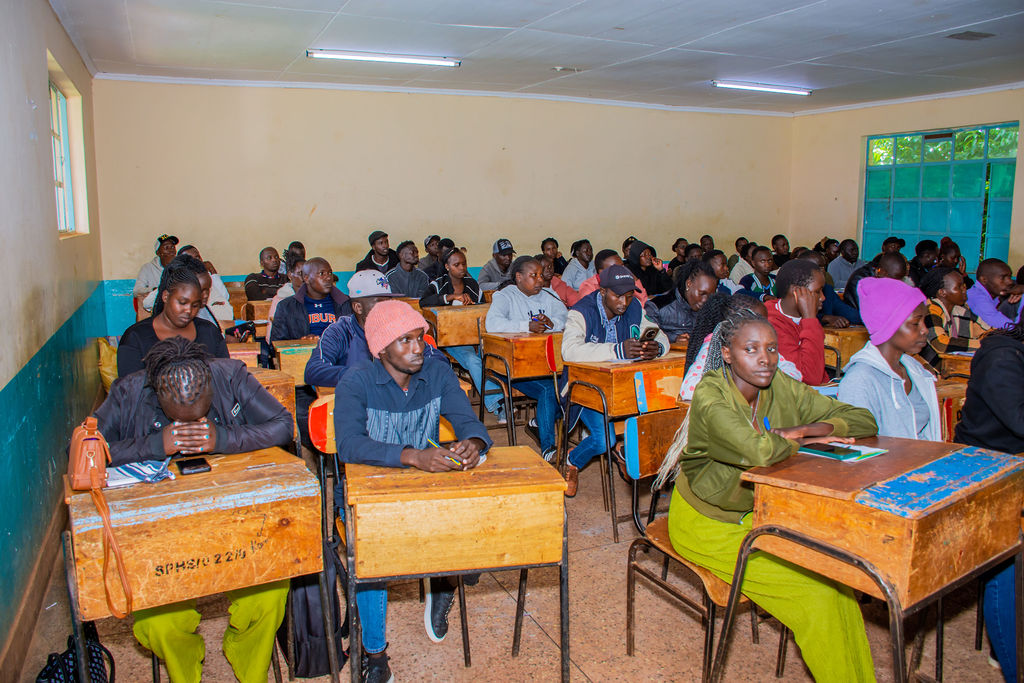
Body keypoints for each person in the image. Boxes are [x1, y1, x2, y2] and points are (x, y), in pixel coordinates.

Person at [663, 307, 878, 683]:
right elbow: (757, 450)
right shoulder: (711, 393)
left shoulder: (779, 384)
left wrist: (810, 428)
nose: (764, 359)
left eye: (772, 349)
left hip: (758, 514)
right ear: (727, 353)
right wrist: (800, 439)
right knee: (817, 596)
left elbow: (864, 420)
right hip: (706, 522)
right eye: (751, 349)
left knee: (839, 583)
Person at [94, 337, 293, 683]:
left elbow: (283, 425)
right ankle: (185, 666)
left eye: (200, 417)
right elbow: (88, 449)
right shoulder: (129, 391)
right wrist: (156, 444)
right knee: (159, 621)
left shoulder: (230, 376)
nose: (191, 427)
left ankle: (246, 656)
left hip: (234, 516)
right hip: (161, 529)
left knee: (269, 595)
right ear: (157, 396)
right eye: (180, 421)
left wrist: (222, 439)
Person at [333, 300, 492, 683]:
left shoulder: (437, 373)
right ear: (381, 348)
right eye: (405, 340)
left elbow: (469, 422)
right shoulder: (356, 382)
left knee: (479, 518)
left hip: (425, 490)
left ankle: (443, 584)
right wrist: (412, 456)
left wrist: (473, 443)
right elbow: (349, 445)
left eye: (420, 337)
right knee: (372, 556)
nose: (418, 347)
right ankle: (375, 653)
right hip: (370, 495)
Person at [955, 317, 1024, 682]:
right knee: (1008, 556)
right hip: (982, 470)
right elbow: (1019, 421)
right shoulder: (1002, 358)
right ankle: (1011, 660)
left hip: (1010, 465)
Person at [560, 265, 668, 495]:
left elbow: (660, 335)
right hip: (586, 387)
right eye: (617, 296)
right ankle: (572, 460)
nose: (624, 302)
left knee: (657, 419)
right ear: (602, 292)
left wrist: (657, 348)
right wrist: (616, 350)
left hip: (622, 386)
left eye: (628, 296)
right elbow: (569, 351)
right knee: (603, 440)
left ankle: (626, 451)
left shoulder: (634, 308)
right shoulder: (581, 311)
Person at [484, 256, 568, 461]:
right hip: (513, 366)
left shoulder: (549, 295)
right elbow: (492, 324)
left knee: (571, 388)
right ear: (519, 277)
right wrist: (526, 326)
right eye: (534, 275)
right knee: (549, 390)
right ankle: (548, 449)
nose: (540, 279)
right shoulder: (505, 296)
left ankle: (538, 422)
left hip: (545, 364)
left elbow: (567, 317)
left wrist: (553, 323)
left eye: (540, 275)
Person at [305, 269, 446, 389]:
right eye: (380, 303)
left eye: (389, 302)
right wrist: (367, 376)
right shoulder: (340, 331)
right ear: (358, 307)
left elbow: (439, 361)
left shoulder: (399, 328)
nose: (387, 309)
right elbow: (314, 370)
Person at [838, 279, 940, 440]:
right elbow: (858, 444)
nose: (925, 330)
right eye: (915, 323)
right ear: (889, 326)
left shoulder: (914, 368)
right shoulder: (860, 380)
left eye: (924, 321)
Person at [419, 248, 505, 421]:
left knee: (495, 357)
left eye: (464, 264)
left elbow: (483, 308)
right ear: (447, 266)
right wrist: (450, 297)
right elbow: (424, 302)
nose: (461, 268)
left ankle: (506, 396)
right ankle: (499, 403)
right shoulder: (438, 284)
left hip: (476, 337)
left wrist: (472, 306)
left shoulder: (472, 284)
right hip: (453, 339)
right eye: (456, 264)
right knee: (473, 361)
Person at [678, 294, 802, 401]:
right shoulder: (715, 344)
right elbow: (688, 389)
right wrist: (741, 387)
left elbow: (795, 374)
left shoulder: (763, 347)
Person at [118, 258, 229, 376]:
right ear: (166, 296)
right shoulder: (135, 338)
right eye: (182, 302)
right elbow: (131, 385)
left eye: (207, 290)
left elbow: (225, 378)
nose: (204, 297)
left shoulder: (209, 332)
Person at [764, 259, 828, 385]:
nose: (823, 297)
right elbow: (810, 377)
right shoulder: (771, 324)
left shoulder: (802, 317)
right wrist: (810, 319)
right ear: (796, 292)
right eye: (817, 291)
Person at [918, 266, 990, 370]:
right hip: (929, 369)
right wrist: (984, 344)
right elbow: (941, 344)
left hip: (951, 367)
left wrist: (993, 339)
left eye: (964, 285)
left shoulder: (960, 311)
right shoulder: (931, 310)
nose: (965, 289)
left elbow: (986, 331)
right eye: (959, 287)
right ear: (942, 292)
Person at [270, 258, 352, 342]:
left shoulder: (346, 303)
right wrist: (302, 342)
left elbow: (356, 337)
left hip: (338, 349)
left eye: (330, 273)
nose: (328, 278)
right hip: (304, 350)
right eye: (321, 273)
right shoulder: (287, 307)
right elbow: (276, 343)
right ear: (306, 278)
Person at [651, 260, 718, 344]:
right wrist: (673, 340)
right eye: (702, 293)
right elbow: (647, 340)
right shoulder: (657, 306)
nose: (705, 300)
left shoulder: (712, 309)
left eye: (710, 296)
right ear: (689, 284)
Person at [798, 250, 861, 326]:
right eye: (817, 267)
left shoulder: (827, 290)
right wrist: (824, 318)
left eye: (823, 267)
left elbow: (850, 314)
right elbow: (795, 319)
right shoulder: (795, 291)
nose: (822, 271)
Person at [577, 249, 650, 308]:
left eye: (622, 266)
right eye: (616, 268)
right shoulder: (588, 287)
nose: (621, 270)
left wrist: (634, 279)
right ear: (601, 272)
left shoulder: (624, 279)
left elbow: (643, 303)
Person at [967, 258, 1024, 330]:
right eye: (1003, 278)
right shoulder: (978, 299)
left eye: (1009, 277)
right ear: (984, 280)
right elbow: (1011, 329)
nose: (1010, 282)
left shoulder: (993, 293)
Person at [843, 251, 908, 310]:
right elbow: (868, 313)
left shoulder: (885, 276)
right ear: (880, 272)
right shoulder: (860, 280)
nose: (897, 283)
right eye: (894, 280)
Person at [266, 255, 305, 341]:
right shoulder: (280, 300)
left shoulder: (313, 298)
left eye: (307, 274)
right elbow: (272, 336)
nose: (304, 278)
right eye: (300, 273)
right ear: (290, 275)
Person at [134, 234, 179, 300]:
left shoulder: (180, 267)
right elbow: (136, 291)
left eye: (172, 247)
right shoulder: (147, 268)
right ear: (158, 253)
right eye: (166, 248)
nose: (171, 250)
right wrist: (154, 290)